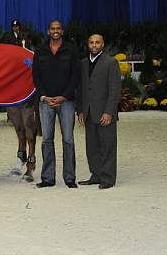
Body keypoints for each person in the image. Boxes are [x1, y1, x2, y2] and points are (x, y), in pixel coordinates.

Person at [32, 20, 80, 189]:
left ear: (62, 31)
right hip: (46, 102)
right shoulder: (40, 50)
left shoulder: (71, 49)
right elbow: (35, 76)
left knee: (68, 139)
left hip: (66, 101)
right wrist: (45, 96)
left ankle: (69, 178)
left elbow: (76, 76)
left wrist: (64, 96)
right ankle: (47, 178)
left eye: (58, 28)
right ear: (48, 31)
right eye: (52, 28)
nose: (55, 31)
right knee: (47, 140)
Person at [77, 34, 121, 189]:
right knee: (92, 146)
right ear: (87, 45)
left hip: (105, 113)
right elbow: (81, 89)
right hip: (88, 113)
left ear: (103, 44)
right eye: (91, 42)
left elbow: (115, 90)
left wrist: (109, 111)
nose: (94, 45)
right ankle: (96, 175)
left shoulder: (111, 62)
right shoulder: (83, 63)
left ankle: (108, 178)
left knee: (107, 145)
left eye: (97, 42)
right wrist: (80, 111)